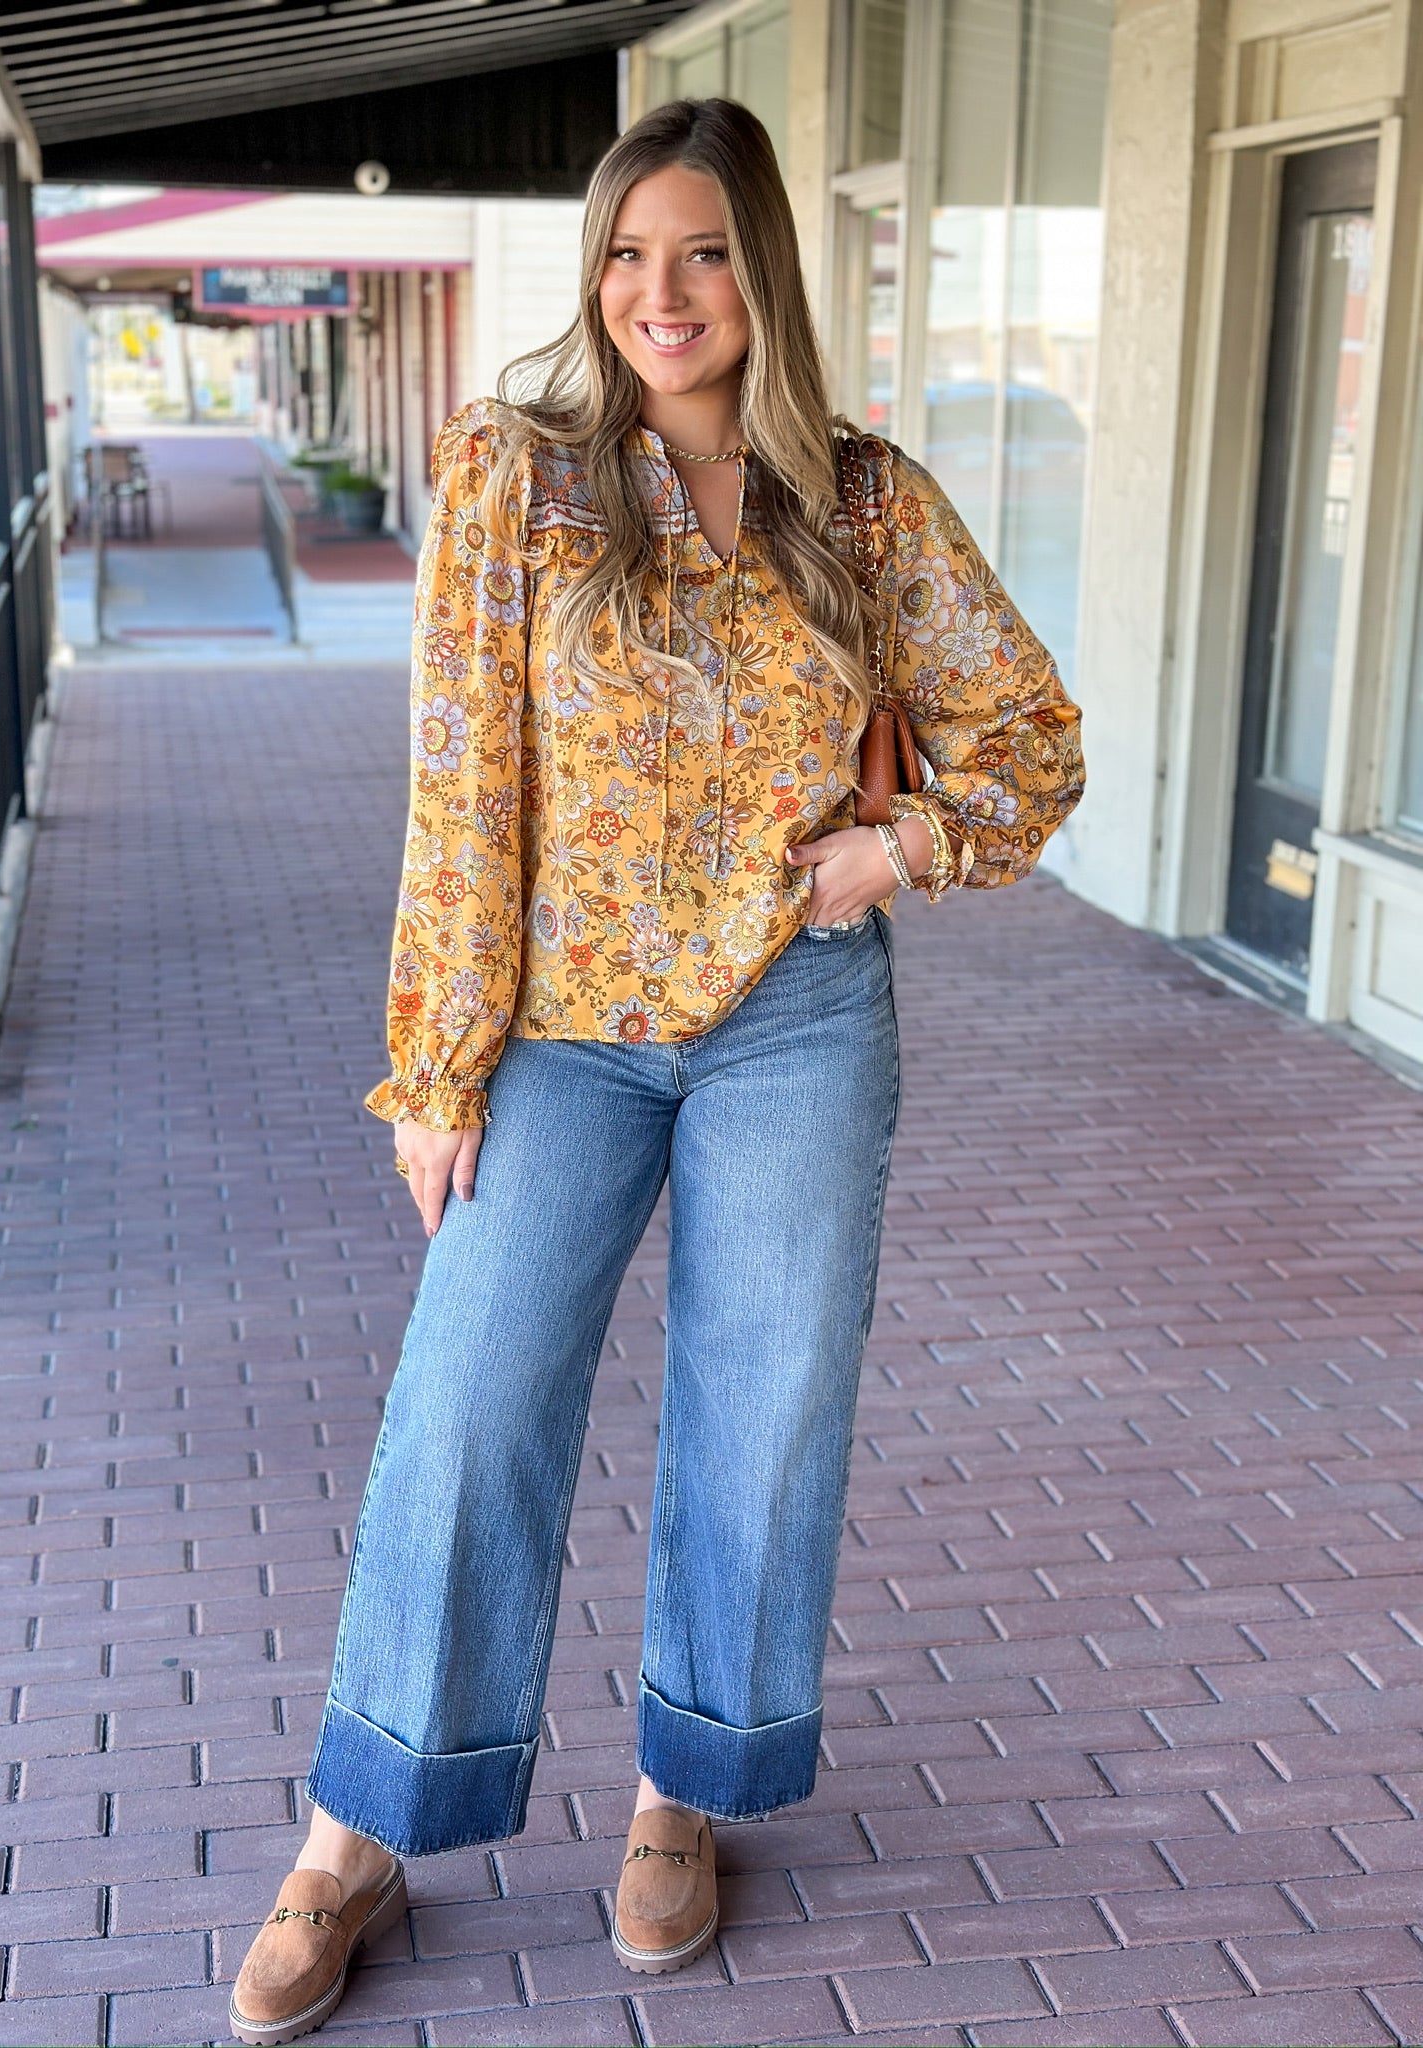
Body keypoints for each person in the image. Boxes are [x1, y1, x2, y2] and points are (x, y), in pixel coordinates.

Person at [229, 95, 1083, 2046]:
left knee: (760, 1412)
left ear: (759, 270)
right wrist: (431, 1071)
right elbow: (463, 793)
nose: (659, 293)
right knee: (467, 1397)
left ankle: (683, 1787)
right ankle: (360, 1825)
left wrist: (908, 846)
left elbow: (1028, 739)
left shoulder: (864, 505)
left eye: (699, 252)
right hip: (563, 1032)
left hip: (799, 1019)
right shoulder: (517, 480)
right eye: (627, 253)